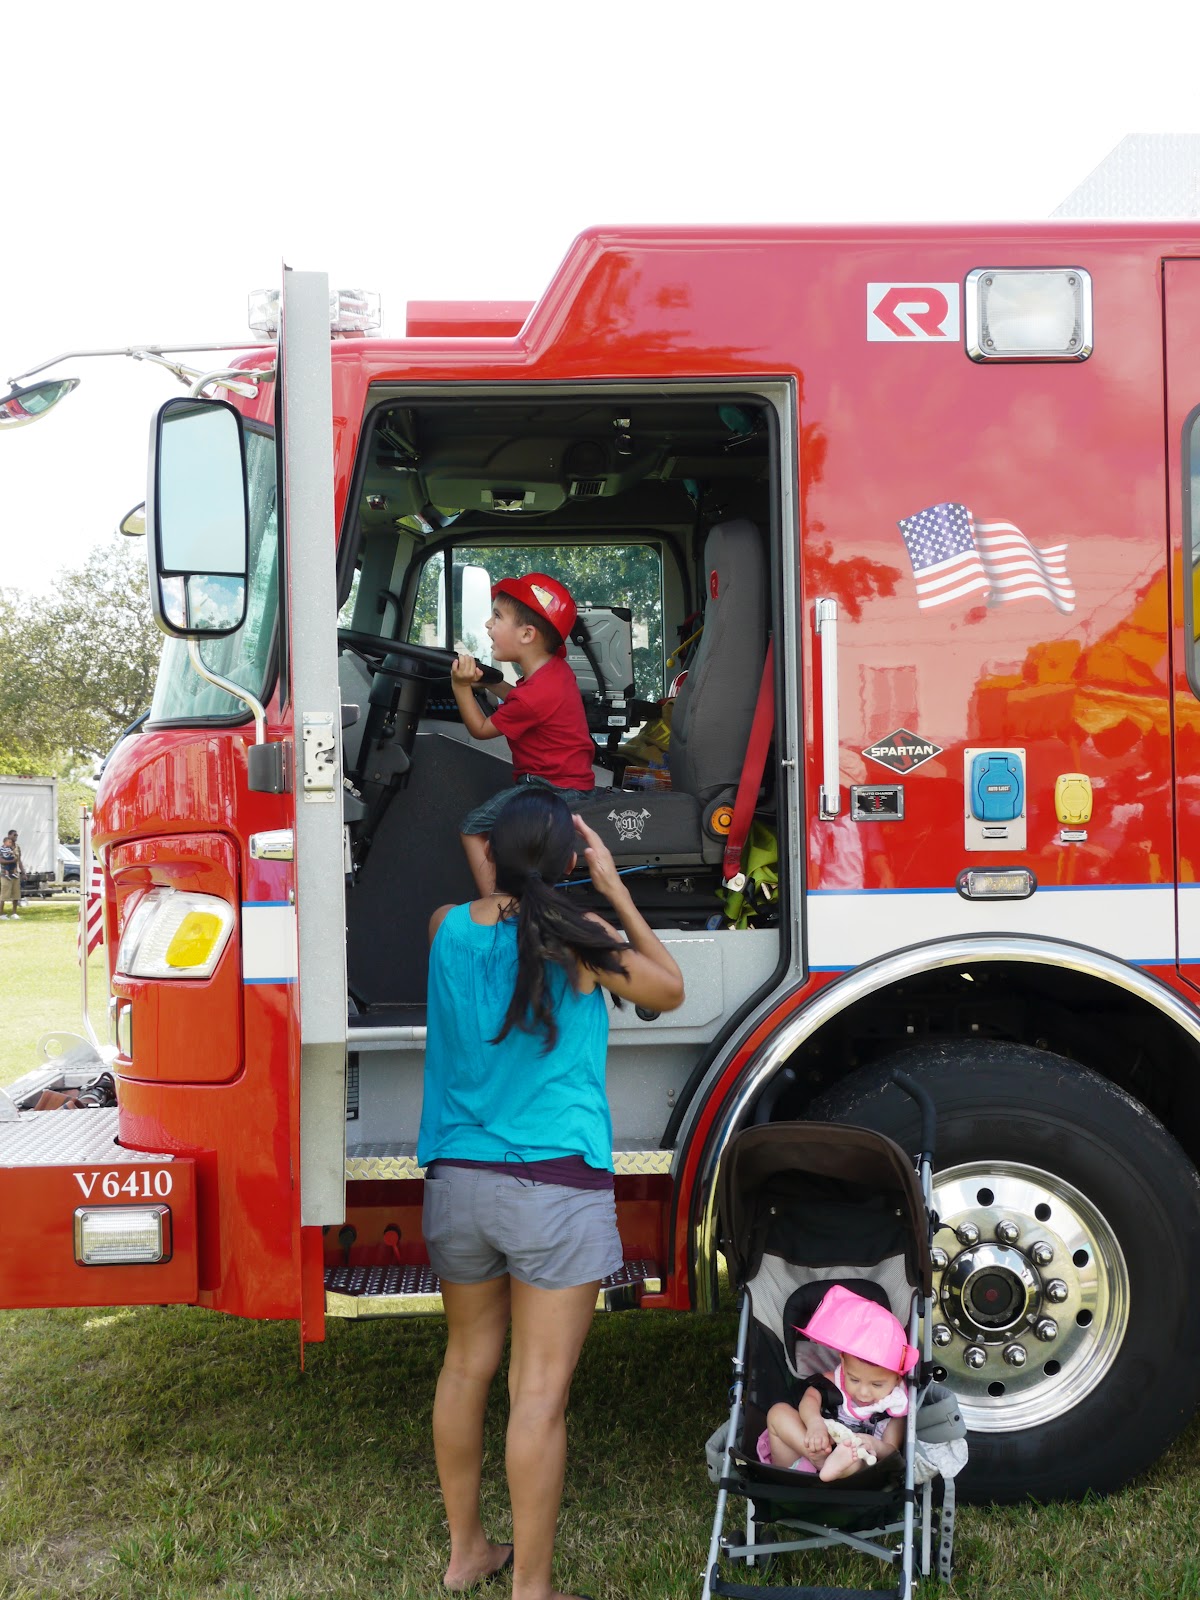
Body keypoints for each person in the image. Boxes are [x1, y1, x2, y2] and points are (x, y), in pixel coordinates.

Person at [418, 789, 684, 1598]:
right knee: (538, 1397)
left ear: (492, 853)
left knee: (466, 1368)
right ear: (568, 861)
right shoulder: (584, 938)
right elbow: (667, 988)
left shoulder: (445, 927)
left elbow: (491, 893)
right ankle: (530, 1589)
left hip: (458, 1184)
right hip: (553, 1192)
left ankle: (468, 1553)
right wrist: (613, 886)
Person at [452, 574, 596, 896]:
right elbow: (518, 700)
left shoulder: (533, 696)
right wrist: (489, 681)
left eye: (498, 617)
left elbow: (479, 729)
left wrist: (460, 687)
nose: (488, 625)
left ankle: (497, 910)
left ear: (527, 634)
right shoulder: (552, 674)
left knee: (472, 829)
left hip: (551, 789)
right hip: (570, 784)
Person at [760, 1285, 918, 1481]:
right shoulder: (833, 1382)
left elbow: (891, 1450)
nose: (863, 1392)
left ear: (897, 1377)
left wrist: (874, 1445)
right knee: (778, 1413)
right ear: (842, 1363)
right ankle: (820, 1460)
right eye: (854, 1379)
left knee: (856, 1460)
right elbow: (810, 1399)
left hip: (850, 1477)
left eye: (877, 1385)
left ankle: (836, 1465)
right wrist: (814, 1423)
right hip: (802, 1462)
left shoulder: (892, 1406)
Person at [0, 830, 21, 919]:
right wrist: (12, 861)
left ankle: (14, 913)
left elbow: (19, 860)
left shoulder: (16, 847)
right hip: (5, 874)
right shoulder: (2, 848)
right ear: (9, 836)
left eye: (16, 835)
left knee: (16, 894)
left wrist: (23, 872)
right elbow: (1, 860)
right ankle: (1, 914)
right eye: (14, 835)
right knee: (4, 894)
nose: (16, 836)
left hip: (15, 874)